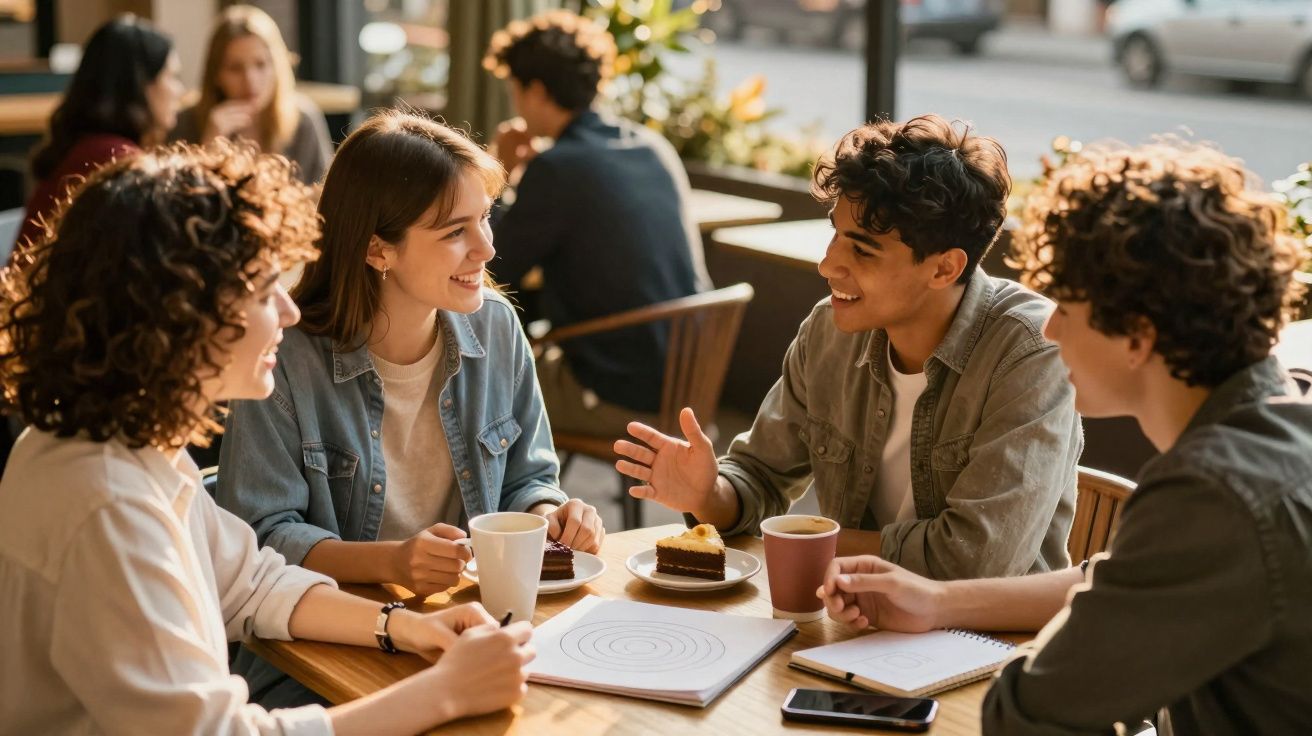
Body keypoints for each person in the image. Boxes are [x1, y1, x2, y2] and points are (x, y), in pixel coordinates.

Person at [0, 140, 535, 734]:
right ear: (183, 318)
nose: (287, 310)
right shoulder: (108, 504)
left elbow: (252, 583)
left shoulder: (133, 446)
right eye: (261, 291)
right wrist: (443, 694)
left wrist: (404, 625)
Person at [819, 140, 1312, 734]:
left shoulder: (1213, 495)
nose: (1048, 330)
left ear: (1138, 336)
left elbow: (1027, 713)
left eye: (1069, 310)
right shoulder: (1281, 424)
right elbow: (1110, 578)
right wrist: (939, 602)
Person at [216, 109, 604, 705]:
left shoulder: (496, 328)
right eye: (455, 231)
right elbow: (262, 540)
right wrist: (391, 560)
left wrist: (552, 513)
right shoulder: (284, 359)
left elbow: (527, 477)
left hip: (466, 632)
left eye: (485, 220)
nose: (487, 247)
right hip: (320, 659)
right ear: (378, 249)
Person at [616, 115, 1083, 580]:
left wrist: (800, 540)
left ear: (944, 269)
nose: (827, 265)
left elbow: (977, 560)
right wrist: (708, 495)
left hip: (985, 642)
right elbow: (758, 478)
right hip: (855, 621)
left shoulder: (1031, 351)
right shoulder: (830, 331)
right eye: (835, 233)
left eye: (862, 250)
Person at [482, 10, 705, 437]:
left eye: (515, 89)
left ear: (536, 90)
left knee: (475, 383)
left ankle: (508, 498)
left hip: (613, 392)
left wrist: (496, 171)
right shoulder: (652, 146)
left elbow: (493, 268)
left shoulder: (559, 166)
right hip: (685, 383)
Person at [19, 14, 183, 248]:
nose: (180, 90)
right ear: (142, 84)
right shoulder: (113, 160)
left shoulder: (90, 147)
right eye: (172, 76)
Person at [170, 4, 332, 185]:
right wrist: (209, 149)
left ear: (277, 66)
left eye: (261, 64)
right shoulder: (186, 121)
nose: (250, 80)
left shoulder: (302, 119)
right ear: (216, 74)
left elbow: (324, 198)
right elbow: (175, 205)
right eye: (235, 68)